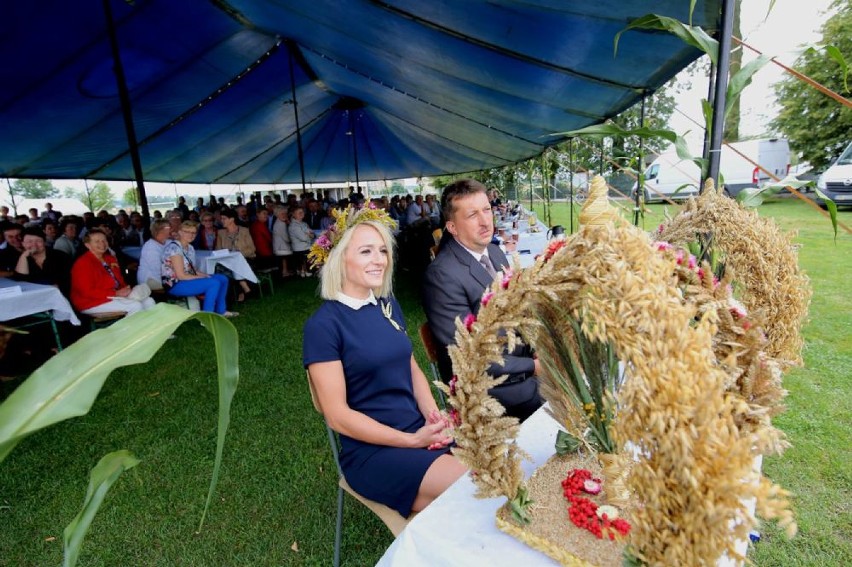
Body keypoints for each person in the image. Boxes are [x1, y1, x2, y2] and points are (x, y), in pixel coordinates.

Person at [303, 206, 465, 518]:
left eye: (382, 250)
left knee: (488, 476)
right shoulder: (324, 326)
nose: (379, 260)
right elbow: (337, 416)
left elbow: (411, 365)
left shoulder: (386, 304)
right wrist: (411, 440)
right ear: (340, 258)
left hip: (418, 430)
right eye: (366, 251)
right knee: (474, 487)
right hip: (374, 452)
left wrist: (433, 417)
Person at [422, 179, 542, 421]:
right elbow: (471, 357)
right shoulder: (441, 276)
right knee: (575, 403)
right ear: (452, 227)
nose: (485, 220)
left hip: (522, 365)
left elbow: (518, 314)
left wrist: (539, 351)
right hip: (490, 390)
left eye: (486, 210)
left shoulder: (495, 253)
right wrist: (534, 367)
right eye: (472, 215)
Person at [70, 229, 156, 316]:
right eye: (97, 241)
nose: (102, 244)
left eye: (104, 240)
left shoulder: (110, 258)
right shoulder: (83, 263)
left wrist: (125, 289)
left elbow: (119, 280)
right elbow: (86, 292)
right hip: (90, 302)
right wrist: (116, 293)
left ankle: (154, 328)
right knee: (135, 306)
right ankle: (132, 329)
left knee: (149, 301)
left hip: (114, 296)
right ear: (88, 245)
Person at [162, 221, 234, 317]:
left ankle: (221, 311)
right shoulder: (174, 248)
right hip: (175, 284)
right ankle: (207, 316)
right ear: (180, 232)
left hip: (186, 279)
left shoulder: (190, 248)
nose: (191, 235)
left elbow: (193, 270)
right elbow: (181, 276)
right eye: (187, 232)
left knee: (222, 278)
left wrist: (205, 275)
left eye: (194, 232)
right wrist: (204, 278)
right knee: (213, 283)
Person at [13, 226, 71, 295]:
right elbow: (21, 281)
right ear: (23, 243)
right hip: (34, 296)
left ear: (44, 242)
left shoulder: (60, 256)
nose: (34, 245)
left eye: (38, 241)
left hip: (60, 296)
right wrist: (24, 256)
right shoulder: (22, 259)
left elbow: (66, 282)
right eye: (29, 241)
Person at [215, 208, 255, 301]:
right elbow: (218, 250)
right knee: (226, 267)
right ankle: (245, 287)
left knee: (231, 266)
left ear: (232, 219)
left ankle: (239, 292)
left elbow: (252, 249)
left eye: (224, 218)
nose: (221, 221)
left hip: (246, 259)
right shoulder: (221, 233)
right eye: (221, 218)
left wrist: (238, 255)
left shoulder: (244, 231)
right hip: (228, 261)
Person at [137, 220, 171, 291]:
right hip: (151, 278)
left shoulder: (168, 242)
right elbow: (156, 269)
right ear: (158, 231)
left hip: (165, 275)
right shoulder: (150, 247)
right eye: (167, 228)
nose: (170, 229)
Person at [288, 205, 314, 278]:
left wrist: (309, 234)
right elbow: (303, 238)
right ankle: (303, 271)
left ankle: (306, 271)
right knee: (303, 259)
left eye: (302, 212)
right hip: (300, 249)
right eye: (299, 213)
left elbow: (312, 233)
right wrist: (309, 235)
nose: (301, 214)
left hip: (306, 246)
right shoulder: (293, 226)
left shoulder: (304, 223)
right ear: (293, 214)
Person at [272, 205, 293, 277]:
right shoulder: (280, 224)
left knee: (285, 259)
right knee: (286, 257)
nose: (284, 215)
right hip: (281, 247)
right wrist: (292, 240)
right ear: (277, 215)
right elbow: (286, 238)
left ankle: (285, 271)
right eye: (282, 214)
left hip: (280, 246)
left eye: (285, 214)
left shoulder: (280, 222)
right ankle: (285, 272)